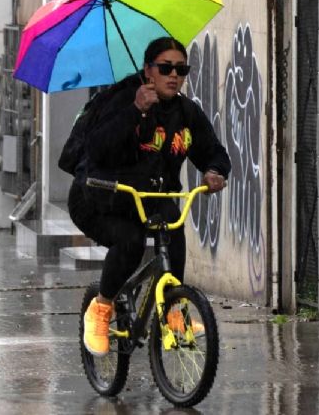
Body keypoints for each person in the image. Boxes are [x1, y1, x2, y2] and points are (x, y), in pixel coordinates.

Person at [68, 36, 231, 357]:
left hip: (150, 198)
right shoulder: (121, 99)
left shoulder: (186, 112)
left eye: (181, 69)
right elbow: (97, 148)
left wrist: (214, 170)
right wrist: (135, 110)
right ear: (148, 70)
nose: (174, 75)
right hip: (100, 199)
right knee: (128, 241)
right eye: (166, 67)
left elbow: (212, 150)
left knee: (173, 225)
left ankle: (174, 312)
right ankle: (100, 309)